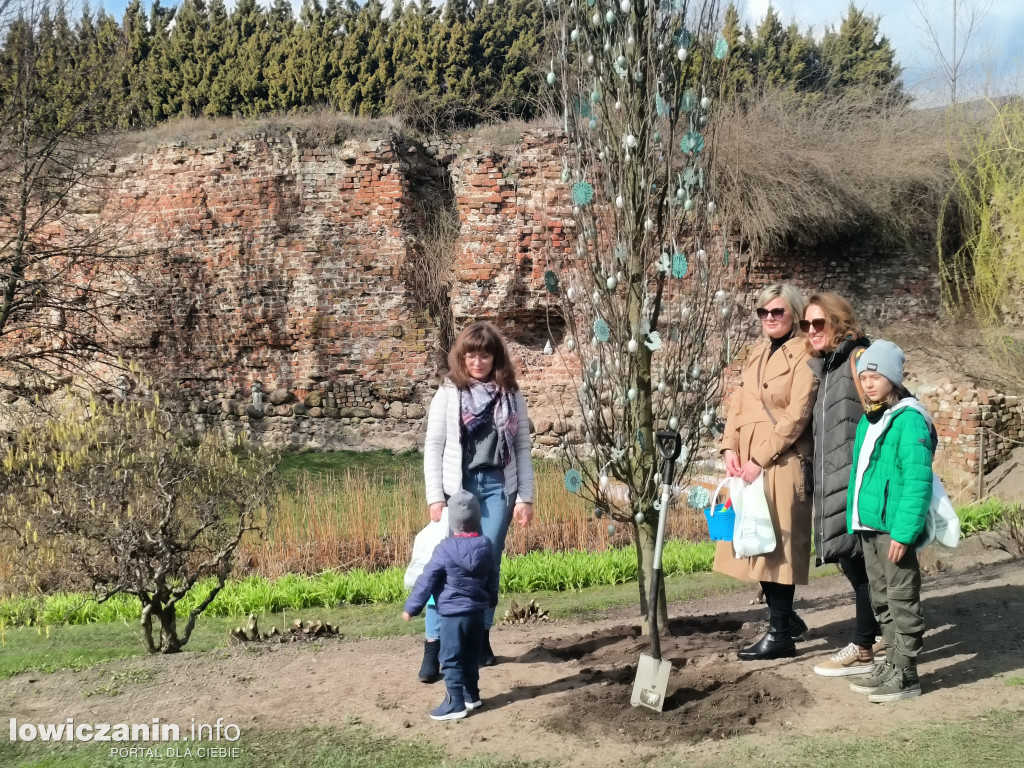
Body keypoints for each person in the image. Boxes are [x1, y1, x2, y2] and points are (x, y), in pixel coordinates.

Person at [418, 320, 534, 683]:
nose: (478, 361)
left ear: (495, 357)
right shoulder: (449, 392)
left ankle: (481, 639)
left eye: (485, 354)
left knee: (487, 567)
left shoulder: (510, 394)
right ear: (461, 356)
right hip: (460, 489)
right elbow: (434, 446)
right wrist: (436, 497)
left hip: (499, 487)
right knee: (447, 568)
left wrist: (525, 497)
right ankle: (433, 645)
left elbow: (522, 447)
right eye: (471, 354)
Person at [715, 283, 818, 661]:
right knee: (751, 540)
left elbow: (797, 415)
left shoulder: (805, 354)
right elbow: (738, 403)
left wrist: (759, 457)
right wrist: (728, 448)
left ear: (793, 314)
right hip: (746, 464)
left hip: (781, 462)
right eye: (763, 313)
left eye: (778, 312)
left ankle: (779, 635)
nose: (770, 319)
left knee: (777, 549)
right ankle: (786, 619)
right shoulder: (757, 354)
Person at [846, 340, 935, 702]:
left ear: (894, 379)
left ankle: (907, 674)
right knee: (881, 598)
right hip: (871, 525)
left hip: (893, 529)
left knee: (901, 598)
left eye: (876, 376)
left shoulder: (909, 418)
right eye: (864, 376)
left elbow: (917, 480)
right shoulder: (873, 417)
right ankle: (891, 663)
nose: (868, 383)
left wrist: (905, 530)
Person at [802, 294, 883, 677]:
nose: (812, 331)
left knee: (861, 565)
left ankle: (863, 645)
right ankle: (877, 637)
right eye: (807, 325)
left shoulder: (858, 358)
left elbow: (891, 407)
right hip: (835, 481)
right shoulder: (828, 365)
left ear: (839, 322)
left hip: (855, 481)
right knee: (857, 566)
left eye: (820, 323)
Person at [403, 489, 499, 720]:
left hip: (453, 616)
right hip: (476, 614)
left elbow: (427, 580)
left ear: (452, 522)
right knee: (470, 655)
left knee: (450, 658)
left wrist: (412, 608)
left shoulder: (444, 549)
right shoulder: (486, 546)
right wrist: (490, 600)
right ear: (477, 519)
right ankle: (472, 695)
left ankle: (455, 703)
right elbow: (493, 576)